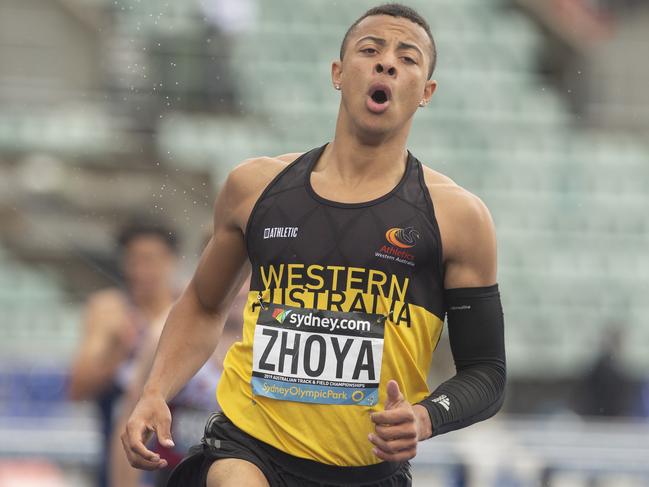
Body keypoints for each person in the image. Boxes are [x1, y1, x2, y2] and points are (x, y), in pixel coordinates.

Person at [121, 4, 506, 487]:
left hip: (367, 470)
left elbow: (487, 373)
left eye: (407, 58)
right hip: (250, 446)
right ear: (338, 74)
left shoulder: (457, 217)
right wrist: (156, 390)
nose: (386, 62)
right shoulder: (255, 187)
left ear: (426, 93)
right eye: (370, 50)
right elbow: (202, 303)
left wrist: (426, 417)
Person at [68, 220, 180, 487]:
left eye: (151, 260)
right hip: (121, 447)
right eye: (135, 261)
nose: (142, 271)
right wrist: (118, 351)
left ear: (171, 261)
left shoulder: (186, 311)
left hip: (178, 451)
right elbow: (77, 389)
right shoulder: (109, 311)